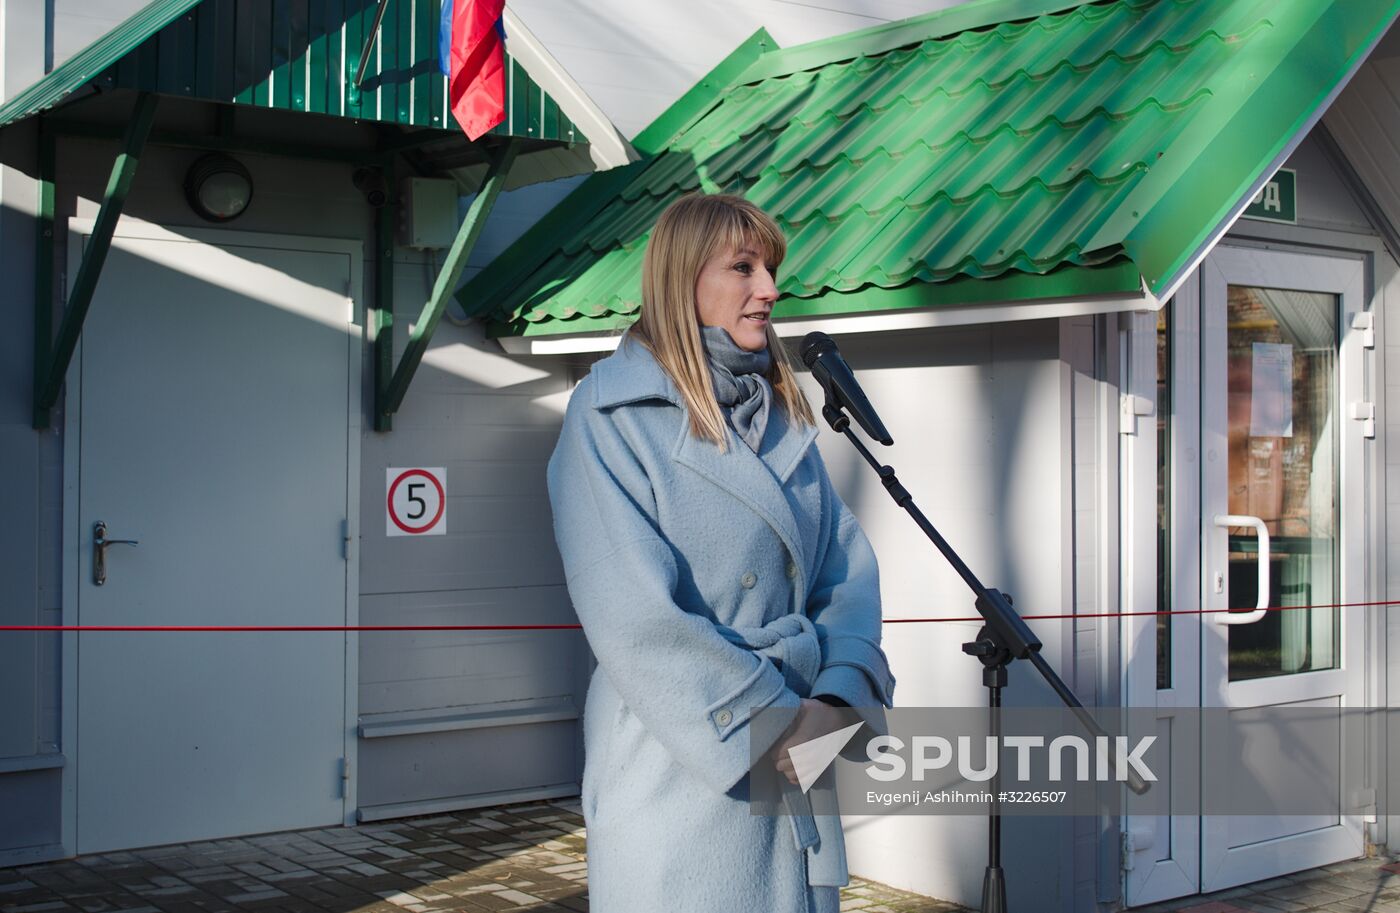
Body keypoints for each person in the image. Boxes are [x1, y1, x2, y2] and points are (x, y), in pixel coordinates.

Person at [545, 193, 896, 913]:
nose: (769, 287)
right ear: (684, 279)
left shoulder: (785, 413)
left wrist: (834, 702)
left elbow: (845, 575)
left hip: (796, 751)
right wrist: (774, 722)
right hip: (684, 764)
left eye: (770, 267)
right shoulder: (608, 416)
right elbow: (633, 615)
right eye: (744, 266)